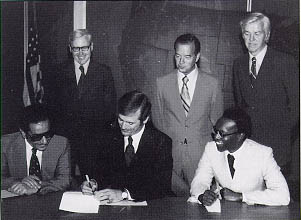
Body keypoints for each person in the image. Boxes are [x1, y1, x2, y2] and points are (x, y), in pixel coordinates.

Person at [154, 33, 223, 196]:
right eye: (178, 56)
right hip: (170, 156)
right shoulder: (161, 83)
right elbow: (158, 121)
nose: (181, 61)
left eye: (187, 56)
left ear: (197, 56)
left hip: (200, 156)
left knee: (200, 204)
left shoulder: (212, 84)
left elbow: (217, 123)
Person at [233, 12, 299, 178]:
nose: (251, 39)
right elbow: (240, 106)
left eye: (257, 33)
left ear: (267, 35)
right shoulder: (238, 64)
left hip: (277, 149)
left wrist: (282, 133)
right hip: (249, 147)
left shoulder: (284, 61)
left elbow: (297, 106)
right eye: (247, 34)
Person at [81, 90, 173, 202]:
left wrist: (125, 194)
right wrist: (93, 183)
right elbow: (102, 171)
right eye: (120, 119)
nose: (123, 127)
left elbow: (161, 186)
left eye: (130, 123)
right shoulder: (109, 136)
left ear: (145, 119)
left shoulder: (161, 142)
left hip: (149, 208)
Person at [188, 107, 290, 206]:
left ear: (240, 136)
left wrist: (241, 197)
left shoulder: (262, 154)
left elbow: (283, 195)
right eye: (216, 131)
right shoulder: (211, 149)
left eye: (222, 134)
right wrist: (202, 195)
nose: (216, 137)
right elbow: (199, 181)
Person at [51, 29, 116, 179]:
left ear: (91, 47)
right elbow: (53, 109)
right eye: (76, 48)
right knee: (64, 184)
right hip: (65, 142)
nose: (80, 53)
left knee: (93, 185)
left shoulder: (104, 72)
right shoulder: (58, 73)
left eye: (84, 48)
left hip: (94, 143)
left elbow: (109, 110)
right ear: (70, 49)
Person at [1, 104, 71, 195]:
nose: (44, 141)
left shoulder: (61, 143)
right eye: (37, 137)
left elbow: (65, 180)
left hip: (48, 197)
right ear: (23, 133)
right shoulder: (5, 144)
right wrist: (17, 182)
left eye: (48, 134)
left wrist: (36, 187)